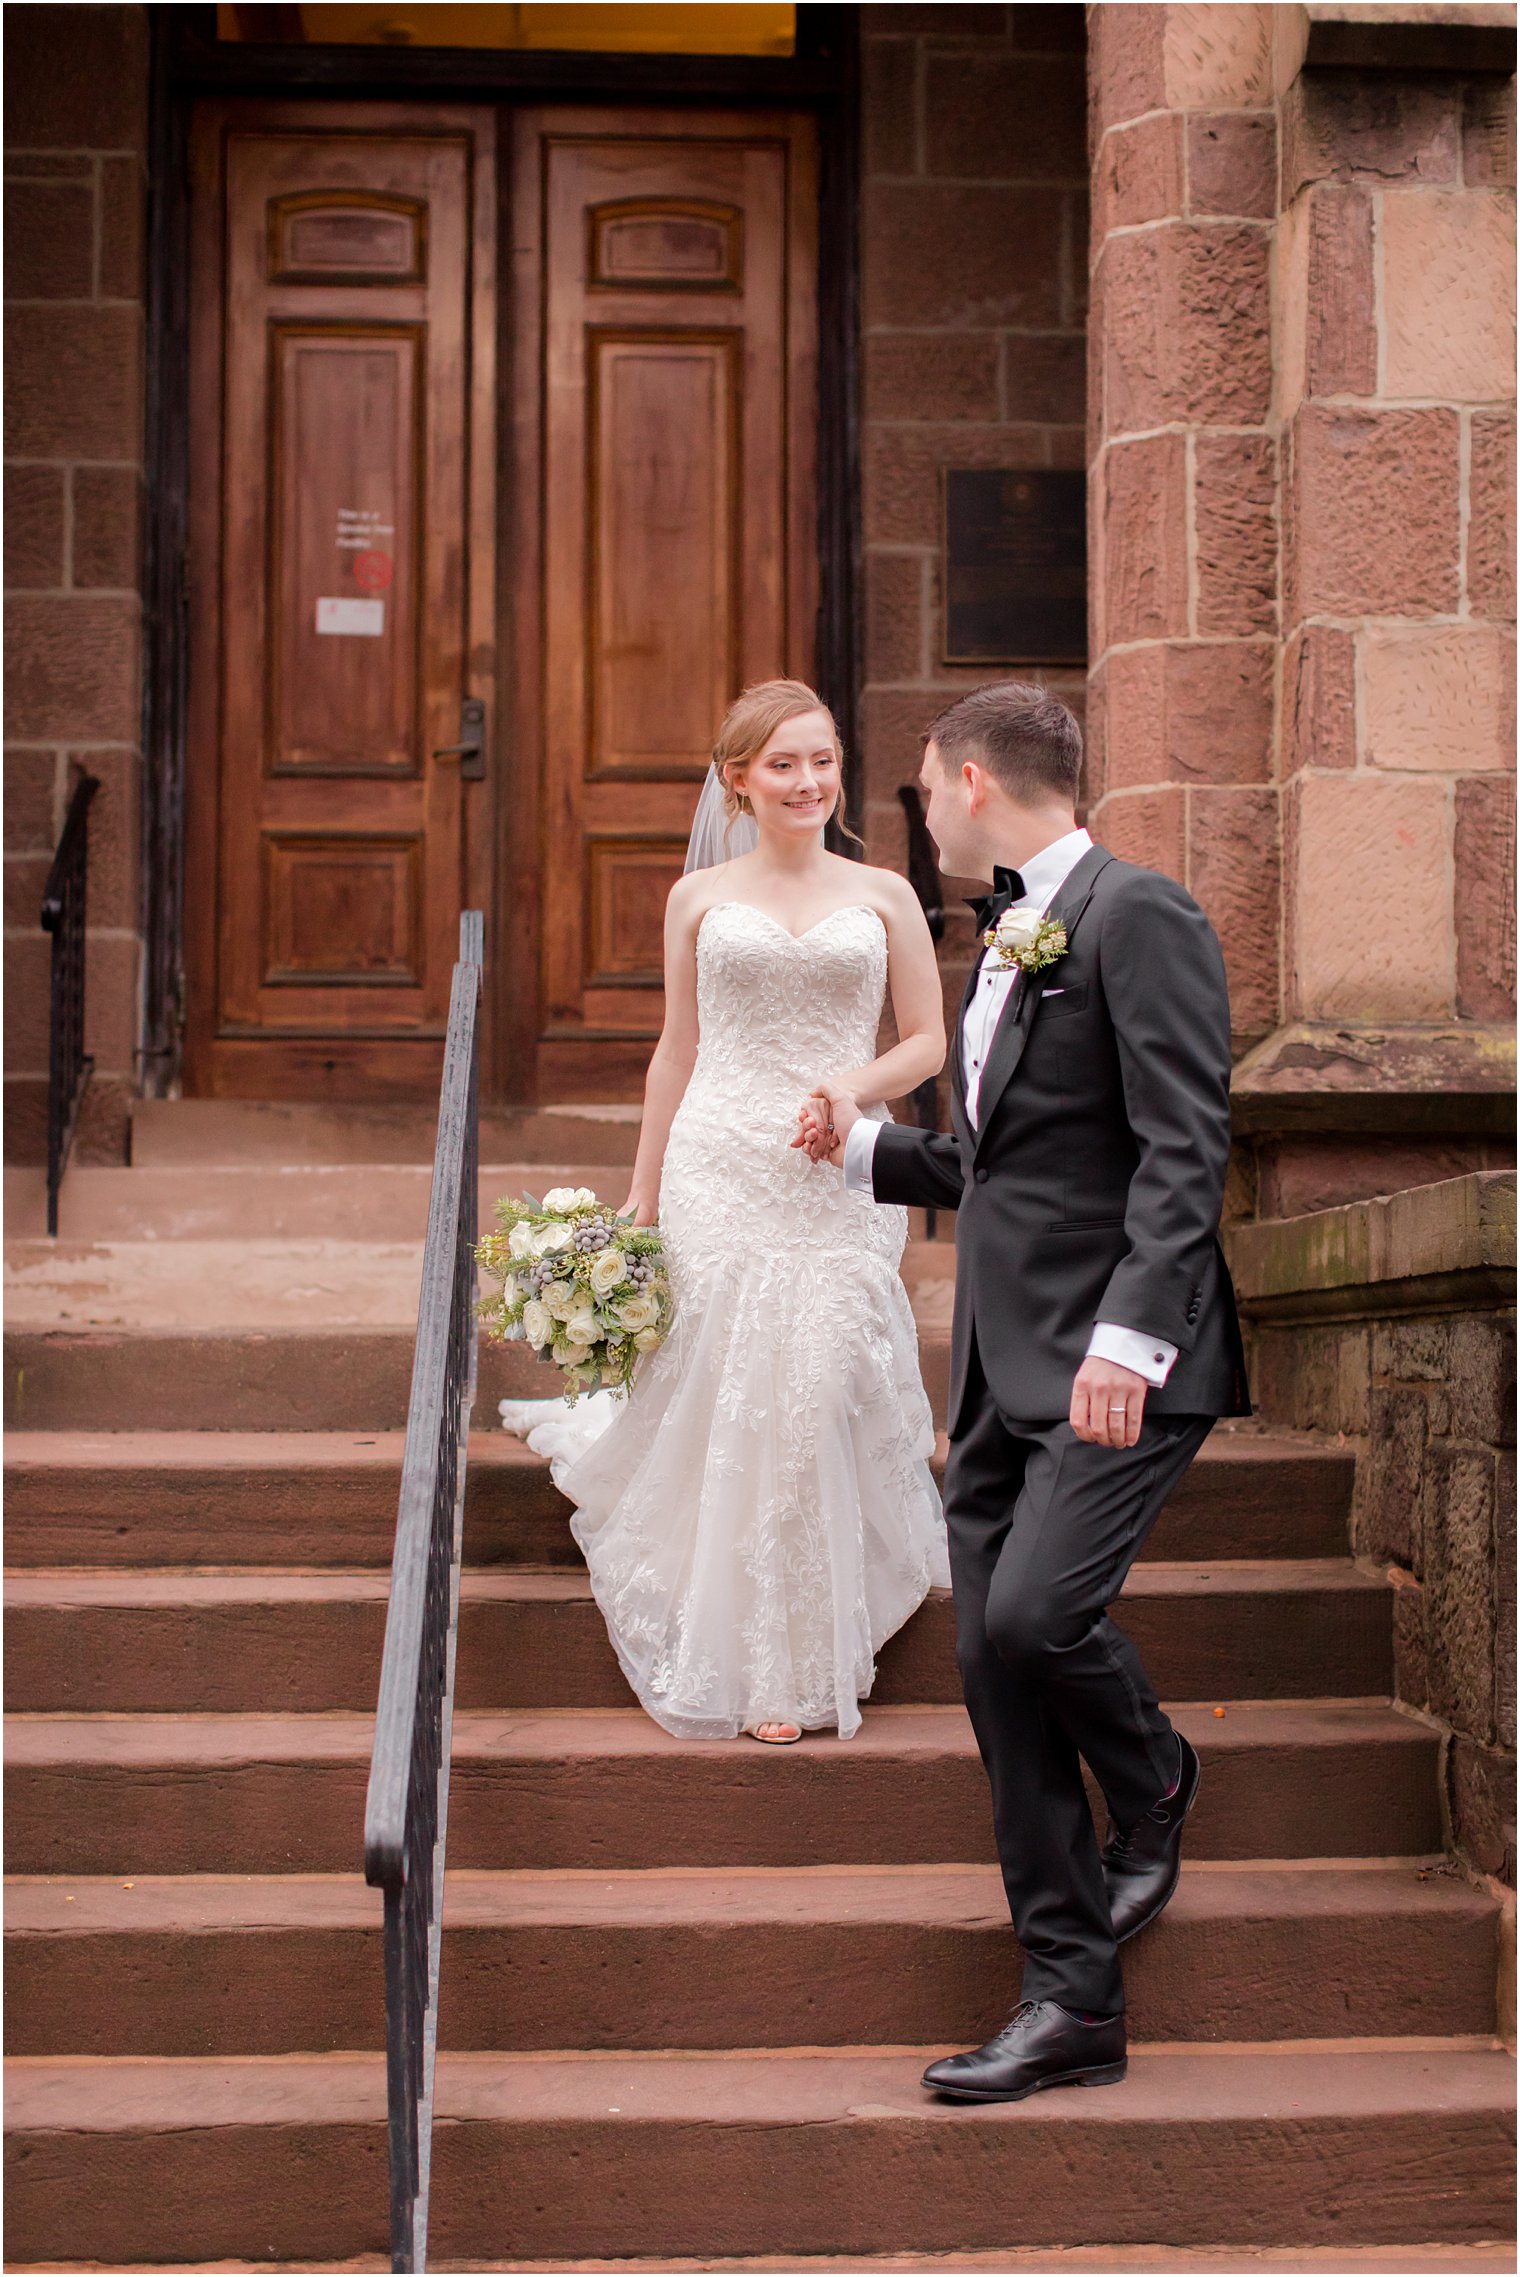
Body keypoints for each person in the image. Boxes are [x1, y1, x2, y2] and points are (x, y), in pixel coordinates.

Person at [800, 681, 1250, 2101]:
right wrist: (870, 1152)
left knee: (1036, 1613)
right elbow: (1015, 1163)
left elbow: (1187, 1144)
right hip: (1001, 1366)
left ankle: (1158, 1774)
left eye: (926, 784)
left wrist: (1133, 1337)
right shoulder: (1007, 933)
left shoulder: (1140, 915)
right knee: (993, 1662)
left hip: (1117, 1362)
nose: (921, 808)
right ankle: (1070, 1996)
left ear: (977, 780)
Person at [500, 678, 950, 1744]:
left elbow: (926, 1040)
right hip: (718, 1161)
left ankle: (811, 1621)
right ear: (737, 778)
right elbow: (677, 1049)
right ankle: (768, 1666)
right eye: (782, 764)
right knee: (732, 1386)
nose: (807, 781)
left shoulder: (884, 893)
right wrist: (643, 1187)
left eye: (821, 759)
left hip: (833, 1164)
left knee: (820, 1374)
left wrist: (850, 1090)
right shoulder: (695, 900)